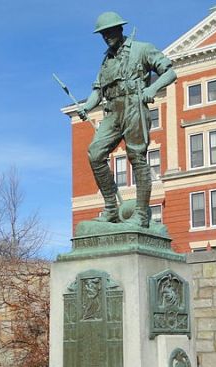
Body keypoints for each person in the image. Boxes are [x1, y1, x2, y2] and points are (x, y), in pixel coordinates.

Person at [78, 12, 177, 228]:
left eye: (110, 32)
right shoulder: (106, 62)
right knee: (95, 154)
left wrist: (152, 88)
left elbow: (170, 72)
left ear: (120, 29)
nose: (107, 36)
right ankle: (112, 209)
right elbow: (97, 91)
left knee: (137, 157)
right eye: (103, 34)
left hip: (134, 106)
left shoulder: (142, 49)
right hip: (112, 110)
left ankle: (141, 214)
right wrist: (86, 106)